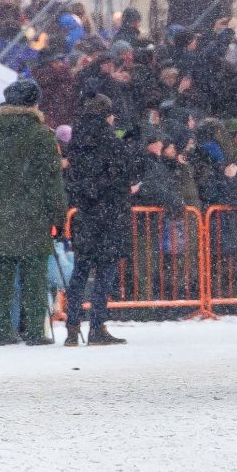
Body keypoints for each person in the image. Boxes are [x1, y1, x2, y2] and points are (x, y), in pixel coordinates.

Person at [0, 79, 67, 344]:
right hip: (34, 216)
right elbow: (51, 182)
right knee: (35, 276)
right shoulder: (41, 135)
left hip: (2, 216)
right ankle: (35, 330)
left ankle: (1, 330)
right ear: (34, 103)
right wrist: (59, 215)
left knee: (2, 277)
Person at [64, 94, 139, 345]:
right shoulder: (111, 141)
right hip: (110, 214)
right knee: (105, 272)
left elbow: (76, 178)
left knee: (80, 271)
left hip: (86, 213)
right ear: (108, 115)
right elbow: (122, 176)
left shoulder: (76, 141)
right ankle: (97, 326)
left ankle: (72, 328)